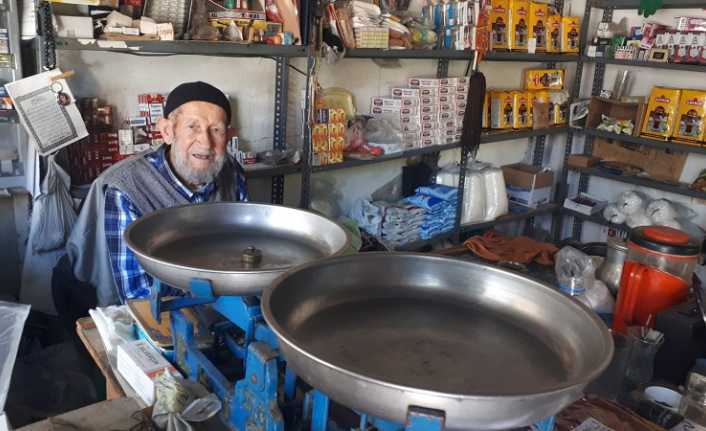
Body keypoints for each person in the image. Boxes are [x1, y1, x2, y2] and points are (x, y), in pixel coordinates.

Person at [58, 81, 248, 317]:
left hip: (206, 297)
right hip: (113, 301)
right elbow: (138, 295)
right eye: (193, 127)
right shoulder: (126, 187)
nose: (206, 142)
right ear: (168, 132)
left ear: (229, 136)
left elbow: (240, 250)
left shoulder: (231, 171)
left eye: (216, 130)